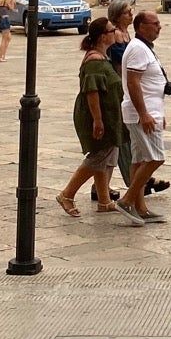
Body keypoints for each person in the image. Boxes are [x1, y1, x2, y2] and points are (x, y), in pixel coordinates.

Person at [55, 17, 122, 218]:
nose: (115, 32)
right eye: (112, 30)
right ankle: (67, 194)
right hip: (96, 115)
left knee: (106, 154)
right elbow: (91, 92)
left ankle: (104, 200)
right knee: (98, 155)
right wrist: (98, 120)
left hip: (107, 114)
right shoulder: (94, 61)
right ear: (103, 36)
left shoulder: (102, 56)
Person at [118, 11, 169, 225]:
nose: (159, 27)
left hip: (149, 112)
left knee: (138, 160)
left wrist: (159, 113)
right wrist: (144, 114)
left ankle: (141, 207)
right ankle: (127, 200)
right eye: (154, 23)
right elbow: (133, 83)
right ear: (141, 27)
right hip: (141, 115)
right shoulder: (138, 49)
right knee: (156, 158)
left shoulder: (144, 48)